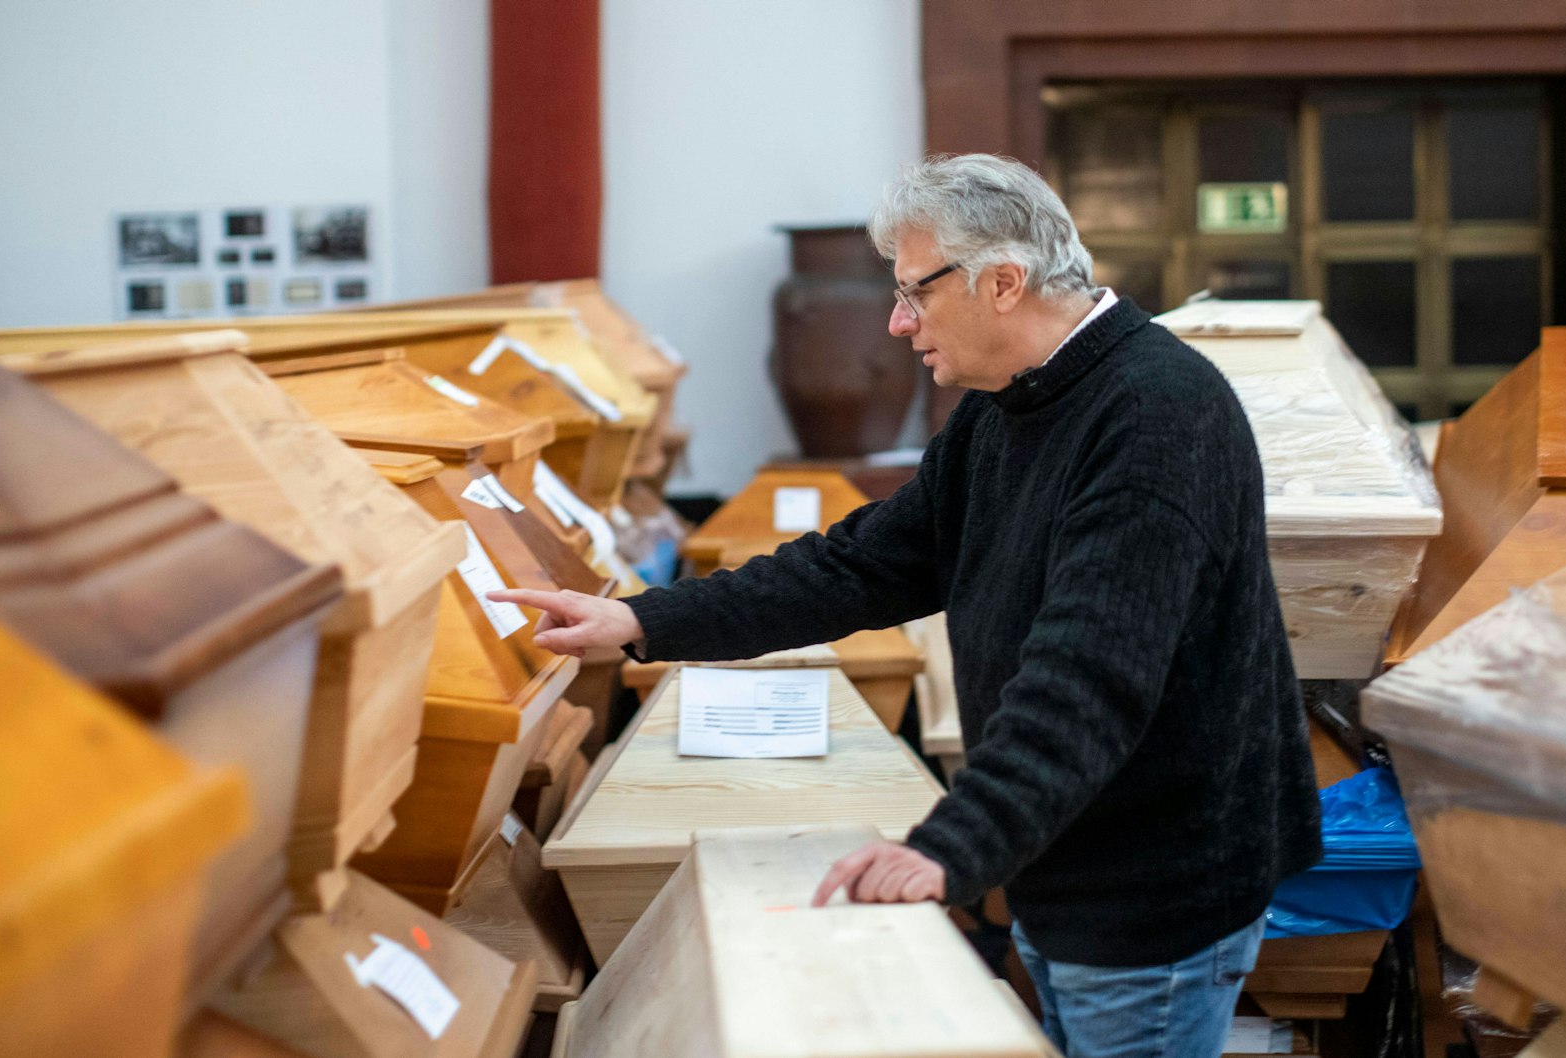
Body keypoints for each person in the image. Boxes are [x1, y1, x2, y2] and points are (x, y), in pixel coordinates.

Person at [489, 153, 1322, 1058]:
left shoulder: (1157, 416)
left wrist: (948, 849)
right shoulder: (1009, 403)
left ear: (1003, 282)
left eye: (915, 293)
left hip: (1155, 880)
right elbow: (860, 565)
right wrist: (645, 620)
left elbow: (1089, 675)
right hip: (1067, 850)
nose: (895, 322)